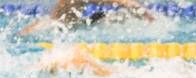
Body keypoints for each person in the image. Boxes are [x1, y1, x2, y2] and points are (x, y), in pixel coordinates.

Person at [18, 0, 154, 36]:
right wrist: (148, 17)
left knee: (114, 17)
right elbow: (123, 2)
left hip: (70, 25)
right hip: (55, 27)